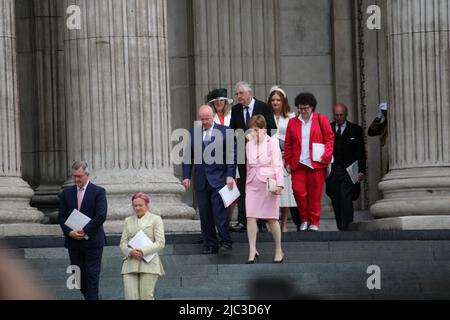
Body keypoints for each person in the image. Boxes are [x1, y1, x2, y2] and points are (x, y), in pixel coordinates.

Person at [182, 105, 237, 254]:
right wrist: (186, 176)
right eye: (202, 119)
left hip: (219, 179)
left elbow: (232, 156)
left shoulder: (226, 132)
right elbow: (187, 157)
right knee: (205, 214)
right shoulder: (193, 133)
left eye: (207, 119)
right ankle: (210, 243)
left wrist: (230, 175)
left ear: (213, 116)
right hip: (201, 180)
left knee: (219, 213)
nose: (204, 121)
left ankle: (225, 241)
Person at [229, 81, 276, 233]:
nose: (238, 96)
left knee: (261, 188)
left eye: (241, 93)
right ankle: (243, 221)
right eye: (236, 94)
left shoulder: (263, 107)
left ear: (249, 93)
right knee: (244, 188)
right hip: (244, 155)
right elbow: (232, 133)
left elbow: (272, 129)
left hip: (261, 155)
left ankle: (261, 222)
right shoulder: (235, 110)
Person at [284, 93, 334, 231]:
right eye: (300, 109)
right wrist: (287, 161)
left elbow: (329, 138)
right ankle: (304, 218)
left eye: (305, 108)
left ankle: (314, 222)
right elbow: (288, 144)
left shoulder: (321, 119)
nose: (302, 111)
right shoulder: (293, 122)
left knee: (315, 195)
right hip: (298, 163)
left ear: (312, 107)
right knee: (298, 192)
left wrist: (327, 154)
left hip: (316, 163)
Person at [58, 161, 107, 300]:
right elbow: (61, 217)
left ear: (87, 174)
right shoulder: (66, 194)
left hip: (92, 242)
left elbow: (101, 215)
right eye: (74, 176)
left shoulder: (99, 192)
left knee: (92, 276)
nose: (76, 179)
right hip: (74, 242)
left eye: (79, 176)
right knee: (78, 278)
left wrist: (85, 231)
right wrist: (69, 232)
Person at [245, 115, 284, 263]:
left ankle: (279, 249)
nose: (254, 133)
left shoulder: (272, 142)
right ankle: (252, 249)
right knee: (250, 217)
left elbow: (278, 164)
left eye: (256, 130)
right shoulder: (249, 144)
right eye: (252, 130)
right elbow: (249, 166)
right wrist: (247, 183)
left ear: (263, 129)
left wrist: (279, 184)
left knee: (272, 218)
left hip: (268, 183)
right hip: (252, 183)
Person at [325, 104, 366, 231]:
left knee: (346, 199)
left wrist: (361, 171)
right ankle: (341, 227)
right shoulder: (328, 129)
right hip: (333, 170)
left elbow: (361, 152)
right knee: (336, 200)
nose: (338, 117)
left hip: (349, 170)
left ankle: (347, 228)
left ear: (346, 114)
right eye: (336, 115)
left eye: (341, 115)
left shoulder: (355, 130)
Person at [120, 192, 165, 300]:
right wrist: (130, 251)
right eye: (135, 206)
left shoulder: (156, 219)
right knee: (131, 297)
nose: (137, 208)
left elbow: (160, 242)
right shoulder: (128, 220)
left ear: (147, 205)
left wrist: (143, 251)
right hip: (130, 262)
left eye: (140, 205)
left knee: (146, 296)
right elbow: (123, 243)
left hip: (149, 262)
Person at [268, 85, 297, 232]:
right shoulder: (267, 116)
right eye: (273, 100)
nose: (275, 102)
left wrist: (289, 152)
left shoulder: (291, 117)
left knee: (284, 191)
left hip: (286, 157)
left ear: (283, 101)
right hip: (270, 158)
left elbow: (294, 137)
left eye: (278, 100)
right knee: (271, 190)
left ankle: (284, 222)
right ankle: (274, 221)